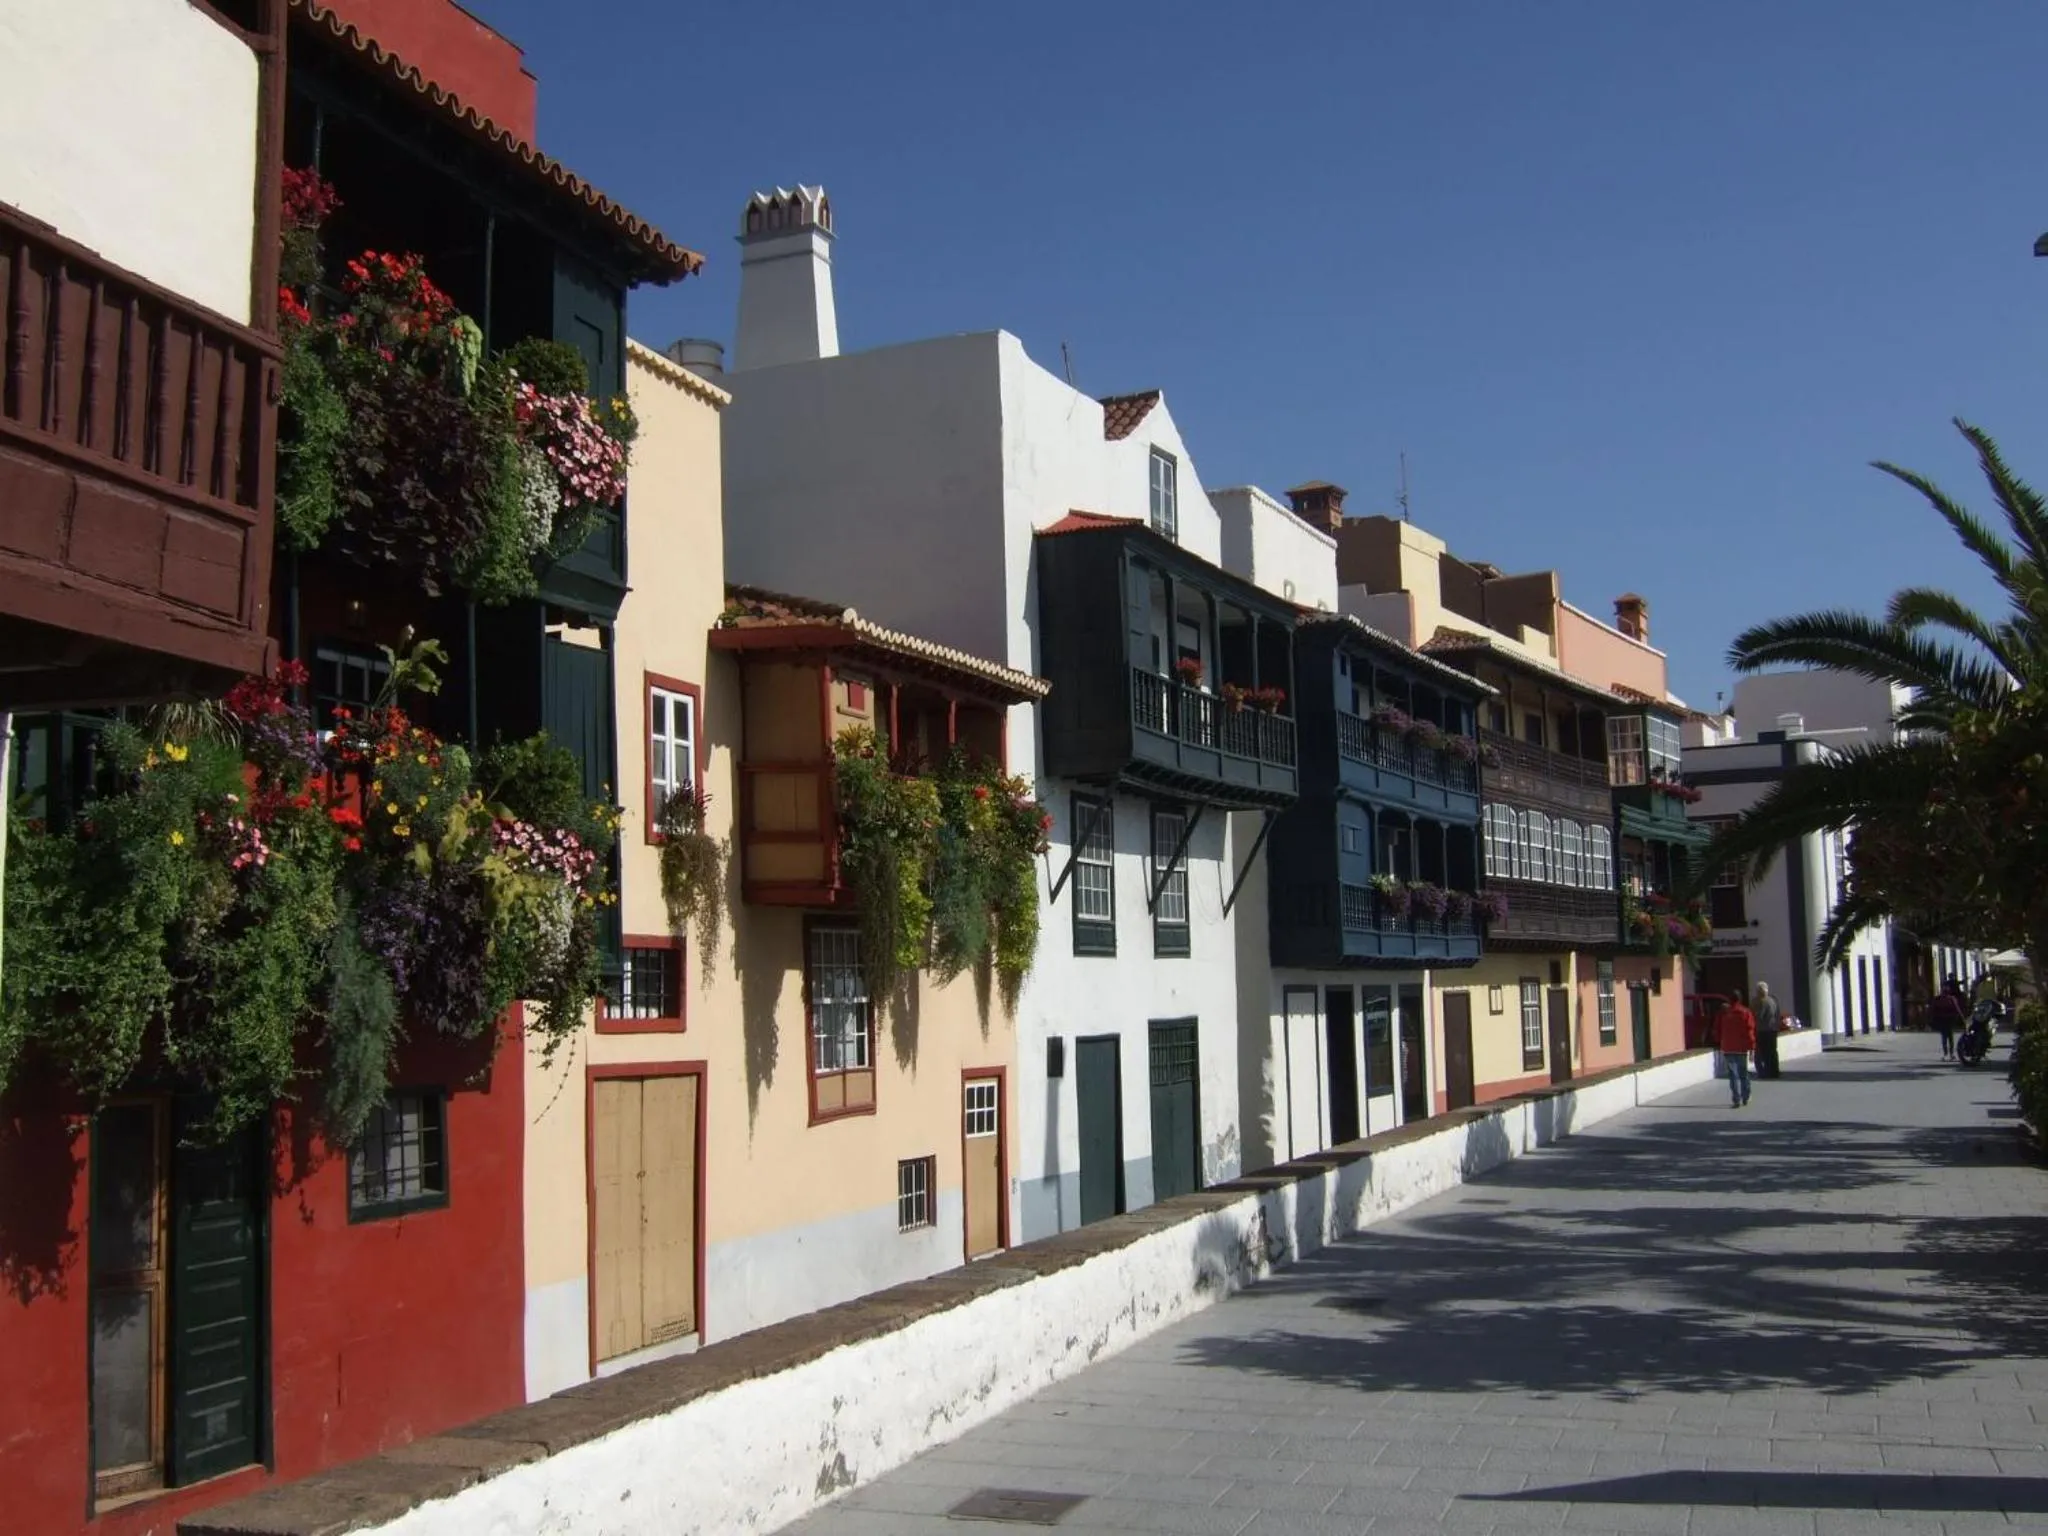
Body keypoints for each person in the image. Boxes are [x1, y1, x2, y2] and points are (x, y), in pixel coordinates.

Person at [1718, 991, 1757, 1108]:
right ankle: (1746, 1096)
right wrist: (1752, 1048)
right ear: (1740, 999)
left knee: (1733, 1075)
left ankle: (1736, 1099)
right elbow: (1750, 1031)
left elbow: (1720, 1029)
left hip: (1728, 1048)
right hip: (1741, 1048)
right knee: (1743, 1074)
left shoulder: (1725, 1013)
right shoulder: (1745, 1012)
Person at [1930, 977, 1966, 1061]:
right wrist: (1962, 1019)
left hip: (1946, 1019)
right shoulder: (1948, 999)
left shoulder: (1941, 999)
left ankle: (1948, 1054)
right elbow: (1958, 1009)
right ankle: (1950, 1054)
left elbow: (1932, 1010)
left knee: (1946, 1036)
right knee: (1948, 1037)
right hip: (1946, 1019)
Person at [1753, 982, 1784, 1079]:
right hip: (1772, 1029)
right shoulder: (1773, 1000)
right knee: (1772, 1051)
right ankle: (1774, 1071)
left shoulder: (1762, 1002)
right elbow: (1777, 1014)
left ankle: (1765, 1072)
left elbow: (1759, 1016)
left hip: (1763, 1030)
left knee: (1762, 1052)